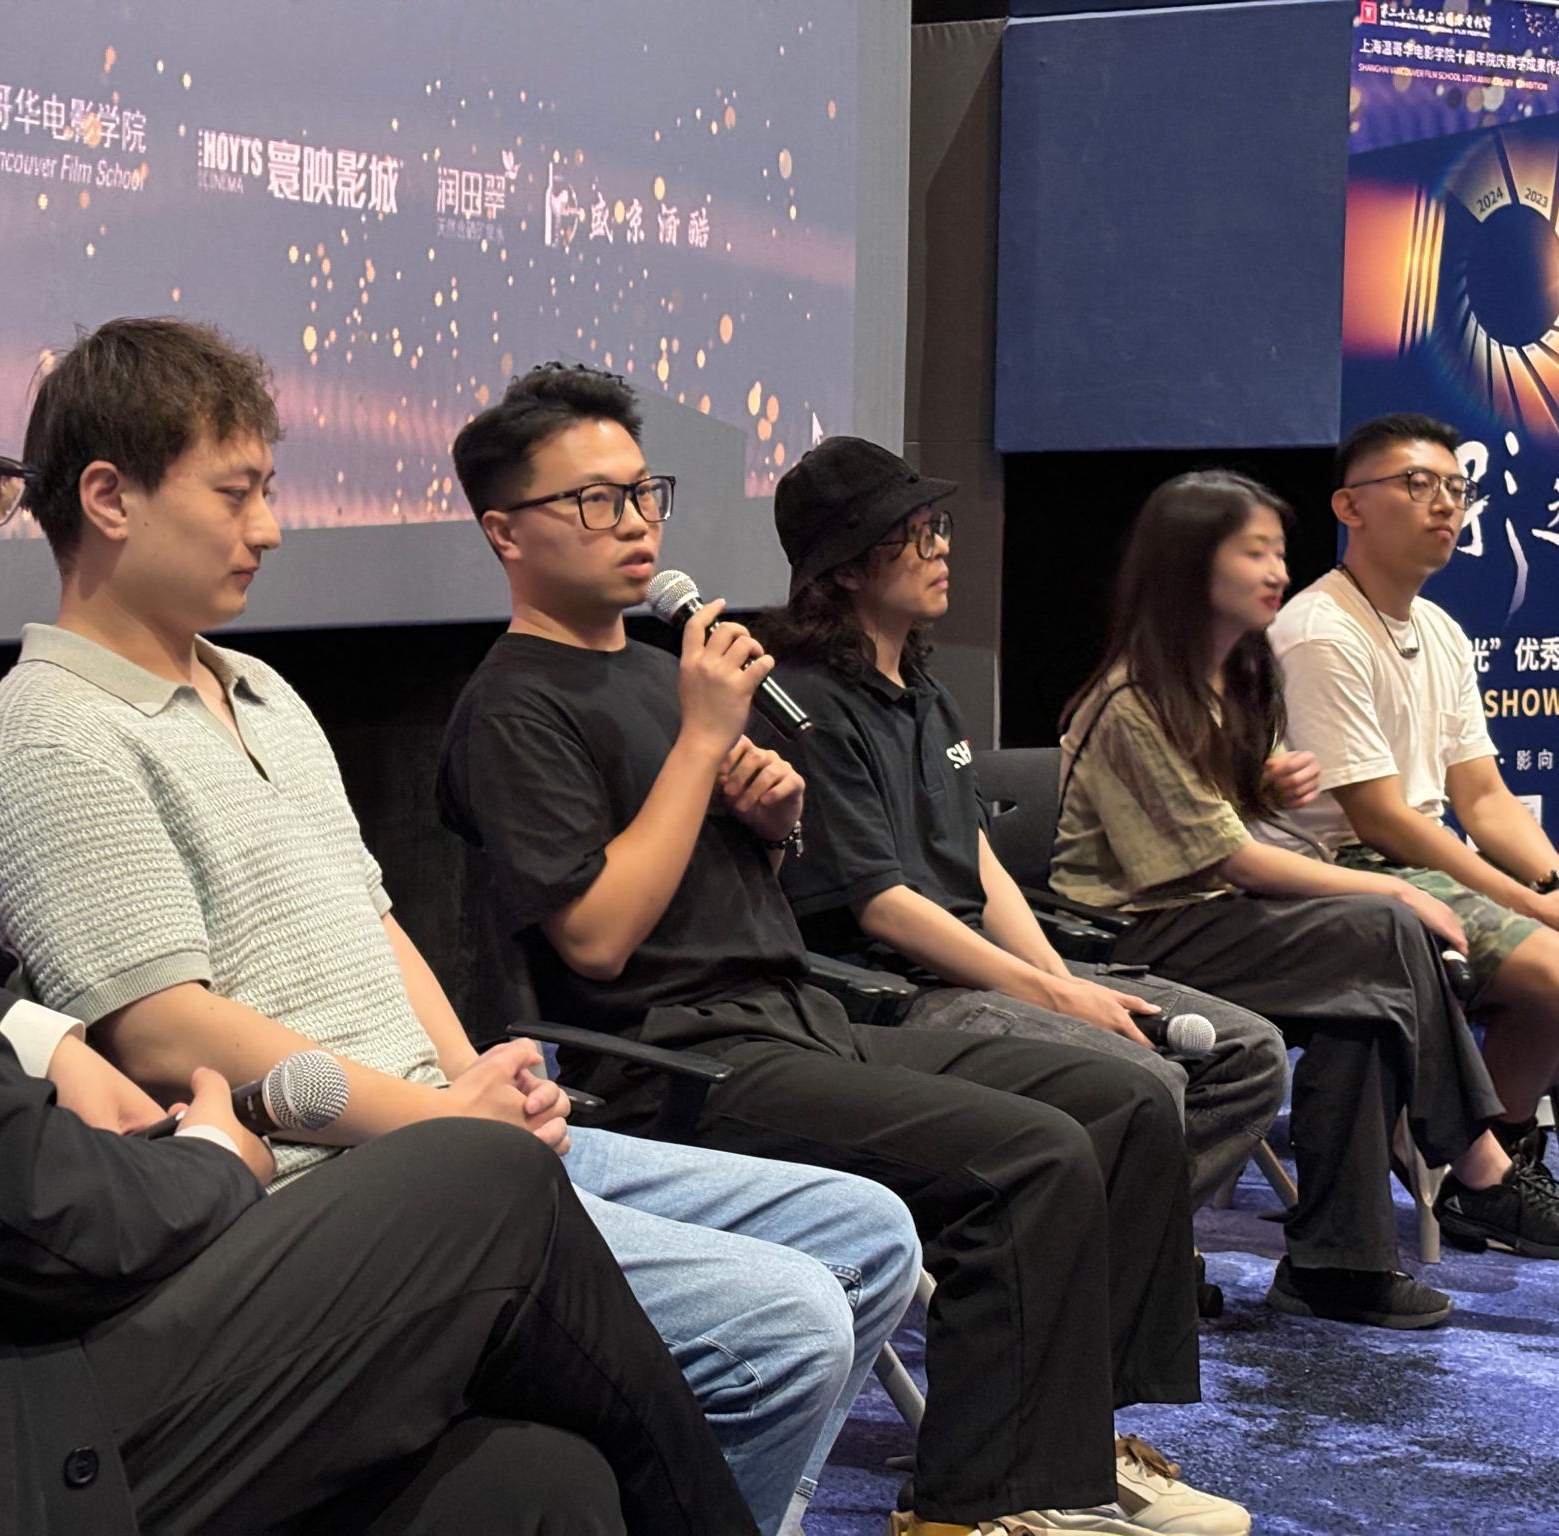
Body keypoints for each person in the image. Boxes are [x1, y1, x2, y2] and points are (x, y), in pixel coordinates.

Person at [0, 248, 757, 1536]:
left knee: (534, 1486)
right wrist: (219, 1157)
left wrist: (36, 1035)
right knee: (486, 1196)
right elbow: (40, 1210)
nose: (266, 528)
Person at [0, 317, 921, 1536]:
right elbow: (160, 1032)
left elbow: (372, 919)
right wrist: (450, 1126)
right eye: (236, 493)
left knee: (866, 1237)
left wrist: (478, 1078)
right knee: (788, 1324)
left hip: (448, 1128)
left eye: (268, 490)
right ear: (108, 498)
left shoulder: (261, 688)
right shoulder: (48, 728)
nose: (268, 527)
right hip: (328, 1188)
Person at [436, 363, 1250, 1536]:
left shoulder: (665, 673)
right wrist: (700, 747)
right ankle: (978, 1508)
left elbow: (718, 894)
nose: (635, 522)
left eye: (643, 493)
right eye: (594, 501)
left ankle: (1072, 1455)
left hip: (798, 1015)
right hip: (676, 1062)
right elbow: (599, 942)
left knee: (1121, 1100)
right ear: (505, 532)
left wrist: (770, 826)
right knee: (1026, 1159)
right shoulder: (514, 705)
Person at [1052, 468, 1558, 1331]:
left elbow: (1220, 820)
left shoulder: (1229, 678)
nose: (1278, 571)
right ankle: (1476, 1167)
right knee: (1386, 924)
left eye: (1280, 552)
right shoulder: (1135, 699)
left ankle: (1339, 1264)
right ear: (1189, 565)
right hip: (1131, 933)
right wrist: (1388, 886)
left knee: (1365, 1007)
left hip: (1208, 916)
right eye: (1254, 552)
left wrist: (1262, 784)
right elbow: (1235, 861)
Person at [756, 436, 1288, 1219]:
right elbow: (884, 907)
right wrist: (1050, 995)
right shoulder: (807, 705)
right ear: (844, 568)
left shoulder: (927, 694)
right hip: (902, 988)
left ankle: (1116, 1251)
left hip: (987, 966)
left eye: (937, 527)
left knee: (1249, 1056)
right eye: (913, 535)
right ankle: (1101, 1258)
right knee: (1146, 1078)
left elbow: (976, 857)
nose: (941, 548)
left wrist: (1059, 982)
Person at [1268, 412, 1559, 1246]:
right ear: (1349, 507)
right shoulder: (1319, 630)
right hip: (1342, 872)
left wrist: (1553, 886)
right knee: (1551, 966)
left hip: (1419, 861)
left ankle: (1497, 1161)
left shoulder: (1441, 631)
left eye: (1455, 489)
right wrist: (1530, 906)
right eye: (1416, 483)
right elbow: (1381, 818)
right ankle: (1487, 1177)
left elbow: (1486, 798)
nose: (1444, 504)